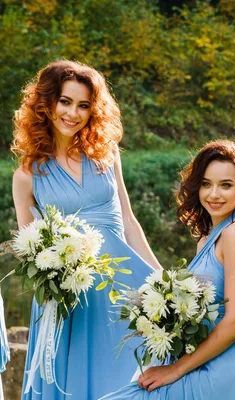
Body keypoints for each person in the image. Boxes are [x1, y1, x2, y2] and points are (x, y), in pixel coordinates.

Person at [12, 60, 162, 399]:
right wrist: (54, 276)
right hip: (69, 299)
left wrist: (160, 276)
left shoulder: (106, 155)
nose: (73, 113)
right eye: (65, 101)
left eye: (83, 105)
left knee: (127, 377)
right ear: (46, 103)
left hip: (120, 287)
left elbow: (128, 220)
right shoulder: (26, 175)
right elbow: (27, 249)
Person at [100, 140, 235, 399]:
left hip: (222, 370)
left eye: (226, 185)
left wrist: (175, 369)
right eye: (206, 184)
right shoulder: (209, 236)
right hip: (200, 360)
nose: (214, 194)